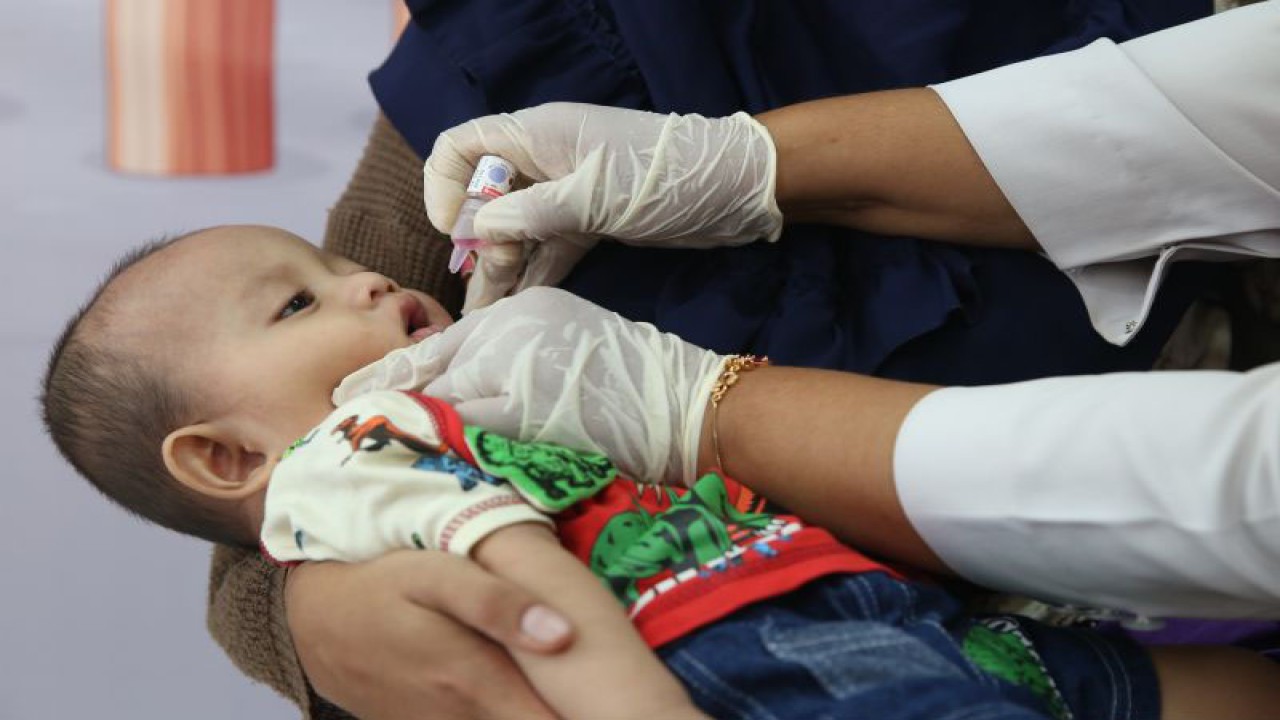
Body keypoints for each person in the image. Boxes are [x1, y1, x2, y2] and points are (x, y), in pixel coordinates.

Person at [204, 2, 1267, 718]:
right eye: (306, 295)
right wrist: (312, 606)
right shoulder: (515, 61)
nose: (368, 288)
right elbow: (239, 469)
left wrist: (701, 411)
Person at [48, 226, 1274, 720]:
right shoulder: (353, 451)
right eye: (299, 301)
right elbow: (533, 596)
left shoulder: (437, 418)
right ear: (224, 457)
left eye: (333, 261)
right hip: (754, 664)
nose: (367, 277)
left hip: (867, 617)